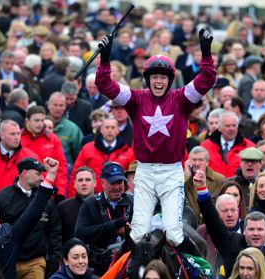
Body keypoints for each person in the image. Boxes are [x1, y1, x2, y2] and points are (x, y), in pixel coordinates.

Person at [95, 28, 216, 254]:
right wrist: (105, 58)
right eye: (154, 77)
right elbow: (104, 85)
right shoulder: (135, 99)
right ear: (147, 79)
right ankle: (116, 278)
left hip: (172, 172)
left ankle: (200, 272)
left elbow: (208, 79)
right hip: (145, 172)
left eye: (162, 77)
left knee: (173, 232)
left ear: (169, 79)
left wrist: (206, 54)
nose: (158, 81)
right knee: (138, 232)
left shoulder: (182, 98)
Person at [0, 157, 62, 279]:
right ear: (24, 173)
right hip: (7, 262)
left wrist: (53, 264)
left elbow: (54, 232)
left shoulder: (45, 198)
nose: (41, 177)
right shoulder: (2, 196)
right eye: (38, 173)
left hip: (35, 261)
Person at [74, 162, 134, 276]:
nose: (117, 187)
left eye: (120, 182)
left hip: (127, 268)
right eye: (112, 183)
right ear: (102, 182)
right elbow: (80, 234)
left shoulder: (134, 202)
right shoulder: (90, 203)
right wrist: (113, 226)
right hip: (98, 269)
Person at [68, 117, 135, 197]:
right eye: (107, 127)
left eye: (113, 127)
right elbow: (75, 175)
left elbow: (132, 180)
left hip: (119, 199)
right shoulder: (87, 149)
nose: (109, 130)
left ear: (118, 130)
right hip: (91, 199)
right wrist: (73, 198)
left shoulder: (128, 152)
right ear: (101, 130)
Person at [21, 106, 68, 198]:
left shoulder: (53, 140)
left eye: (42, 120)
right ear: (28, 121)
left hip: (46, 190)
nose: (40, 124)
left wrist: (60, 193)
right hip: (23, 190)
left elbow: (61, 169)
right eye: (36, 120)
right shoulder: (18, 138)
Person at [184, 146, 225, 224]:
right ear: (189, 162)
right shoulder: (181, 179)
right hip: (190, 225)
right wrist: (186, 177)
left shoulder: (219, 179)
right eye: (194, 160)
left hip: (211, 224)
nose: (197, 163)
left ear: (207, 162)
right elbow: (177, 196)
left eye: (200, 160)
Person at [58, 166, 97, 244]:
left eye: (88, 180)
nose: (84, 183)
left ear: (95, 183)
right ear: (75, 184)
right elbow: (57, 236)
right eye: (80, 180)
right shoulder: (63, 207)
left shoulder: (104, 204)